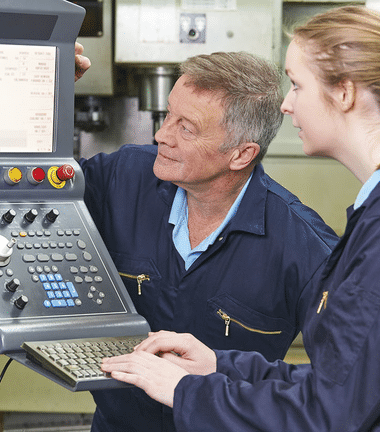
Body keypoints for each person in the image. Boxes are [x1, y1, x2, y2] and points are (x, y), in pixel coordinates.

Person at [100, 5, 380, 431]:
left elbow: (329, 414)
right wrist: (218, 365)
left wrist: (184, 391)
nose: (286, 105)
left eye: (297, 85)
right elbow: (341, 384)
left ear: (344, 93)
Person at [77, 50, 339, 431]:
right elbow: (21, 189)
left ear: (241, 154)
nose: (161, 135)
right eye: (169, 115)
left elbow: (345, 386)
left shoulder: (305, 250)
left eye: (187, 127)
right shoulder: (123, 177)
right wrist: (43, 90)